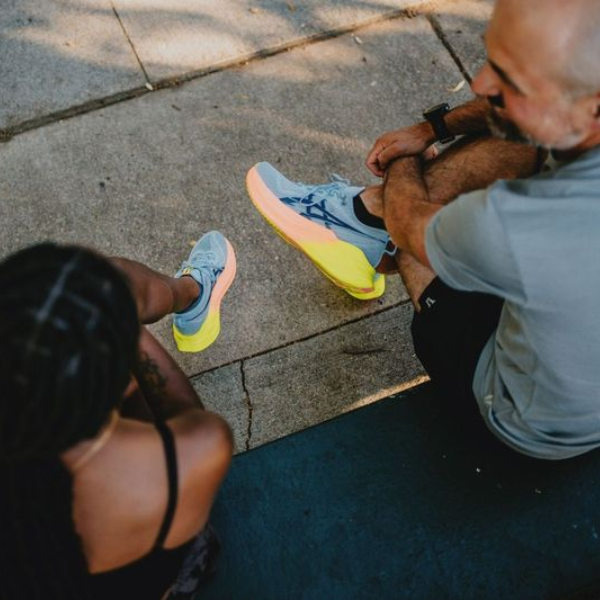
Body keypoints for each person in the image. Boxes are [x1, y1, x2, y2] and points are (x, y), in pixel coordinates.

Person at [246, 0, 600, 460]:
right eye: (491, 58)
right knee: (520, 132)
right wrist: (432, 127)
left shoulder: (521, 223)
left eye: (511, 77)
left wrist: (405, 159)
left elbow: (412, 221)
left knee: (412, 244)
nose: (480, 83)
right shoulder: (581, 108)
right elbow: (513, 115)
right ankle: (363, 218)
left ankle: (371, 228)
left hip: (528, 422)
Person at [0, 231, 236, 599]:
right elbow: (188, 418)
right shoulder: (192, 455)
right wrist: (117, 318)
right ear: (123, 382)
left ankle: (187, 293)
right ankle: (190, 292)